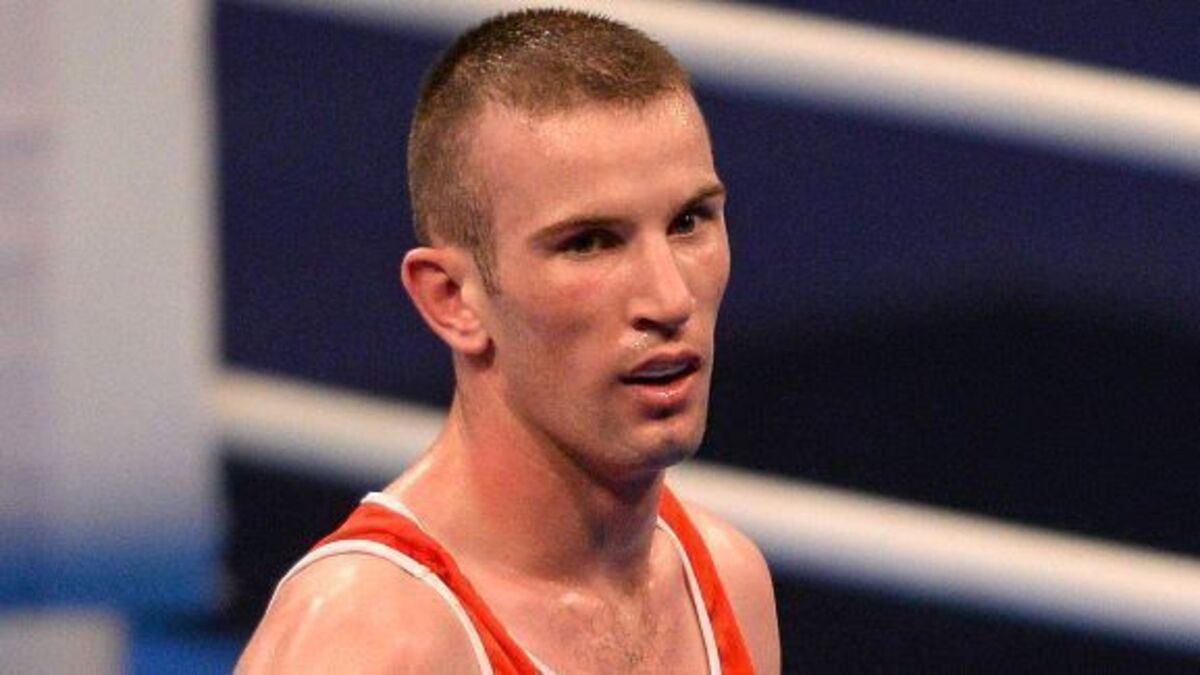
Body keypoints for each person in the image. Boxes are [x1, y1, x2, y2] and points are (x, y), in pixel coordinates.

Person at [237, 8, 780, 674]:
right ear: (452, 299)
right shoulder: (368, 643)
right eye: (589, 242)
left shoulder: (725, 581)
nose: (669, 300)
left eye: (689, 221)